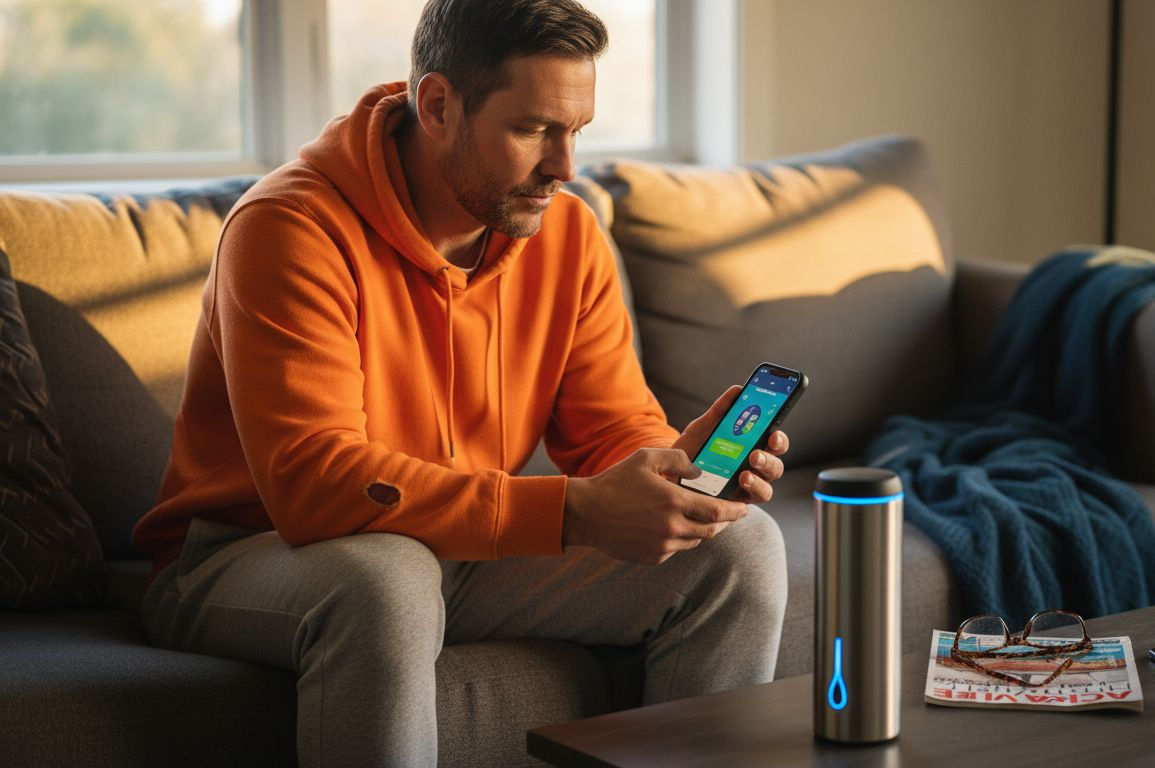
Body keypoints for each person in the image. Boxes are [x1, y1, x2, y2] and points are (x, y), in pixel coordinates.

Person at [130, 0, 790, 765]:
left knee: (739, 552)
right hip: (251, 554)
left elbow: (611, 427)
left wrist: (668, 474)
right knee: (389, 580)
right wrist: (575, 510)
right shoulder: (289, 229)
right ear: (438, 105)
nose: (565, 167)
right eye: (533, 129)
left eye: (576, 131)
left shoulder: (566, 234)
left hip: (456, 547)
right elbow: (314, 483)